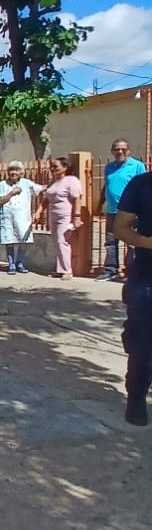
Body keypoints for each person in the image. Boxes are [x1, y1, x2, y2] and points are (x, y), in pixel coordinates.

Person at [112, 171, 152, 426]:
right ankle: (136, 395)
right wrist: (146, 242)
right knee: (143, 341)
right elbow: (120, 228)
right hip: (147, 274)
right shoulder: (142, 185)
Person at [97, 138, 145, 281]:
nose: (120, 151)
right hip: (112, 211)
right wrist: (100, 204)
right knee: (111, 242)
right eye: (117, 149)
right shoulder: (109, 167)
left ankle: (131, 272)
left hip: (132, 212)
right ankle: (111, 270)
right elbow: (106, 187)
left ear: (128, 150)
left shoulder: (137, 166)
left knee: (132, 243)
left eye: (123, 149)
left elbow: (144, 187)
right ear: (112, 151)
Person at [35, 158, 82, 281]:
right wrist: (39, 211)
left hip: (65, 216)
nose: (53, 169)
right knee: (57, 242)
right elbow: (46, 199)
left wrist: (77, 216)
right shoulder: (53, 182)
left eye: (56, 166)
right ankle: (60, 269)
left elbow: (77, 198)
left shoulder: (71, 180)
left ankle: (67, 271)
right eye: (52, 166)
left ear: (65, 167)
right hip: (53, 216)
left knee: (62, 242)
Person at [0, 161, 44, 275]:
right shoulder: (2, 184)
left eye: (16, 170)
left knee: (23, 240)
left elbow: (40, 189)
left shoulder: (26, 183)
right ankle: (11, 264)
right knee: (9, 240)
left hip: (23, 217)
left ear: (21, 172)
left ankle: (20, 263)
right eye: (11, 170)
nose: (13, 172)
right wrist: (11, 194)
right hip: (8, 218)